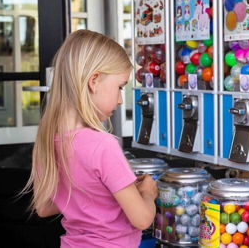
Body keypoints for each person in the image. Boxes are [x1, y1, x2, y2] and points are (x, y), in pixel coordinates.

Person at [22, 30, 158, 247]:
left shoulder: (47, 140)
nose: (121, 99)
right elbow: (142, 219)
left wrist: (105, 191)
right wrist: (146, 194)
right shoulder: (103, 146)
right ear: (94, 80)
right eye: (120, 87)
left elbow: (45, 207)